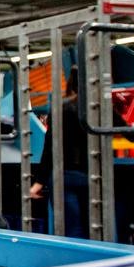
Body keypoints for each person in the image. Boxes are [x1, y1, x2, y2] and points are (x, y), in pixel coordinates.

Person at [31, 67, 88, 238]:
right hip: (90, 174)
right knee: (92, 226)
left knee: (70, 228)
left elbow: (50, 148)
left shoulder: (60, 109)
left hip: (64, 175)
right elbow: (129, 134)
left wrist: (39, 182)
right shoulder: (101, 107)